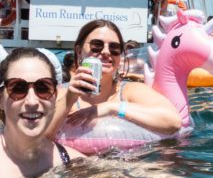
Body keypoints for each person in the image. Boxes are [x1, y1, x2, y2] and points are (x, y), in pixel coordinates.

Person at [47, 19, 182, 139]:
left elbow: (173, 122)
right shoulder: (61, 94)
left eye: (114, 48)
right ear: (78, 51)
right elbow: (37, 138)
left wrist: (112, 108)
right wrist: (69, 98)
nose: (106, 52)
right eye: (96, 45)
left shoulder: (130, 91)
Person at [0, 47, 85, 178]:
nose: (32, 101)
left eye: (43, 88)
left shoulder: (76, 165)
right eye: (18, 88)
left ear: (54, 96)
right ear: (0, 99)